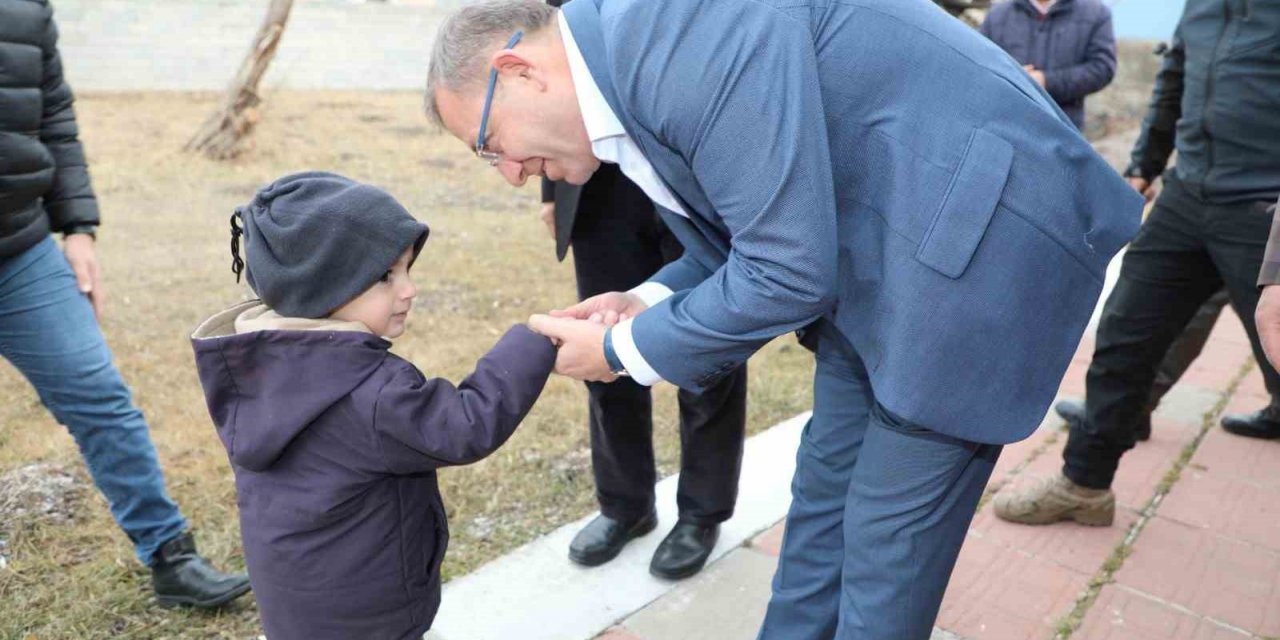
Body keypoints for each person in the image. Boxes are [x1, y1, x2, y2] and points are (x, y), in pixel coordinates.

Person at [423, 0, 1141, 637]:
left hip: (971, 256)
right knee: (822, 502)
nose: (511, 173)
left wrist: (622, 350)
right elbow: (750, 233)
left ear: (518, 71)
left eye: (490, 146)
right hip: (880, 264)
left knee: (885, 551)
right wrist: (643, 302)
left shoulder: (678, 33)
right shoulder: (632, 52)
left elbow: (787, 270)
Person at [190, 172, 556, 639]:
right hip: (372, 614)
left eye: (407, 269)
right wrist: (534, 344)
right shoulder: (370, 392)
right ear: (323, 286)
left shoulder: (259, 362)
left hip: (296, 604)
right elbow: (465, 426)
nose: (409, 289)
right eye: (386, 275)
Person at [0, 0, 248, 607]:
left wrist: (78, 226)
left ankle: (172, 559)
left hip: (20, 248)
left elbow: (53, 112)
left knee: (99, 397)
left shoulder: (26, 9)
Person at [994, 0, 1280, 527]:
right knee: (1124, 336)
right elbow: (1173, 81)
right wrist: (1144, 167)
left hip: (1266, 209)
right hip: (1186, 198)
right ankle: (1084, 483)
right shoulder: (1203, 7)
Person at [539, 0, 747, 581]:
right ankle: (624, 505)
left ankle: (702, 511)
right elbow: (548, 39)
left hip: (689, 166)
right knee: (601, 338)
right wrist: (552, 193)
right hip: (599, 183)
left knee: (706, 347)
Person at [980, 0, 1117, 131]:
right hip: (1005, 128)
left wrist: (1046, 81)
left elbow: (1102, 67)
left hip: (1064, 132)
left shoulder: (1096, 13)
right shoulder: (998, 15)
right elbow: (980, 66)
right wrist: (1010, 77)